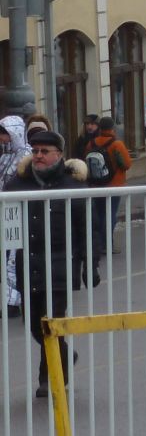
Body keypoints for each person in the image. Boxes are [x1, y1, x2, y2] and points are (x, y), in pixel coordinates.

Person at [5, 130, 80, 399]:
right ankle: (65, 355)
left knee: (52, 324)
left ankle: (48, 378)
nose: (38, 156)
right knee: (35, 325)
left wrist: (88, 264)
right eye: (35, 151)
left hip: (59, 265)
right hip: (29, 264)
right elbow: (7, 223)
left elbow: (87, 228)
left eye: (44, 151)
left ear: (58, 155)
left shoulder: (72, 186)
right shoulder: (18, 184)